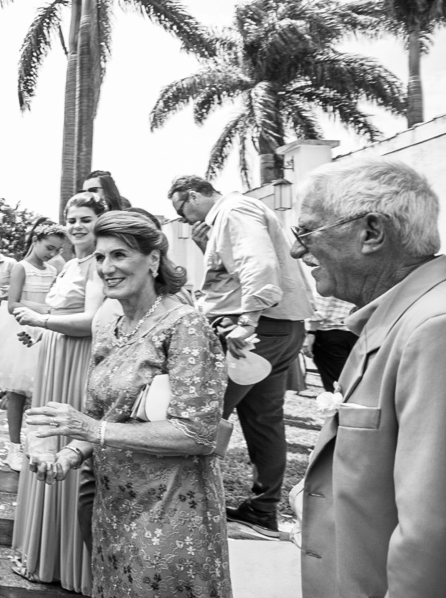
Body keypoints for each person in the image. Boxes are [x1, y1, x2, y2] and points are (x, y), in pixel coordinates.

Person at [26, 210, 231, 598]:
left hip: (170, 509)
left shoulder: (185, 325)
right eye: (100, 257)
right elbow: (104, 417)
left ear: (153, 259)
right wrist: (69, 455)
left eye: (120, 255)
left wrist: (93, 430)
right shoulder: (109, 326)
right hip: (113, 505)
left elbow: (197, 433)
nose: (107, 267)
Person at [291, 159, 446, 598]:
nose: (297, 251)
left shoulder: (432, 329)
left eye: (306, 232)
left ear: (372, 232)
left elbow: (431, 532)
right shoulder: (396, 318)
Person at [167, 174, 313, 538]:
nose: (183, 220)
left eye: (181, 210)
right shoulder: (232, 214)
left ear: (192, 195)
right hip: (279, 327)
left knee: (202, 417)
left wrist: (247, 323)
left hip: (254, 330)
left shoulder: (233, 210)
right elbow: (234, 273)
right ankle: (262, 510)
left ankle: (185, 505)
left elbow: (258, 264)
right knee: (263, 420)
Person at [9, 192, 110, 592]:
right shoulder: (68, 264)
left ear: (100, 221)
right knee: (45, 442)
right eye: (72, 219)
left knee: (66, 443)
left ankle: (70, 561)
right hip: (54, 356)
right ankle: (44, 551)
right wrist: (40, 332)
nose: (77, 226)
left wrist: (42, 321)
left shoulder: (99, 263)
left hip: (77, 361)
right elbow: (61, 314)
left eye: (86, 218)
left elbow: (92, 321)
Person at [0, 228, 64, 472]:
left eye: (57, 250)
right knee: (17, 392)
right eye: (49, 247)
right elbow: (12, 304)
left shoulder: (53, 270)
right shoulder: (21, 267)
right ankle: (14, 446)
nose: (52, 253)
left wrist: (50, 313)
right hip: (21, 329)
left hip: (45, 331)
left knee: (43, 391)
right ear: (36, 241)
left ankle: (37, 443)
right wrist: (43, 310)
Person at [305, 293, 356, 393]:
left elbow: (320, 307)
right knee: (351, 382)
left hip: (331, 334)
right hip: (356, 333)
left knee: (336, 386)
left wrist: (311, 332)